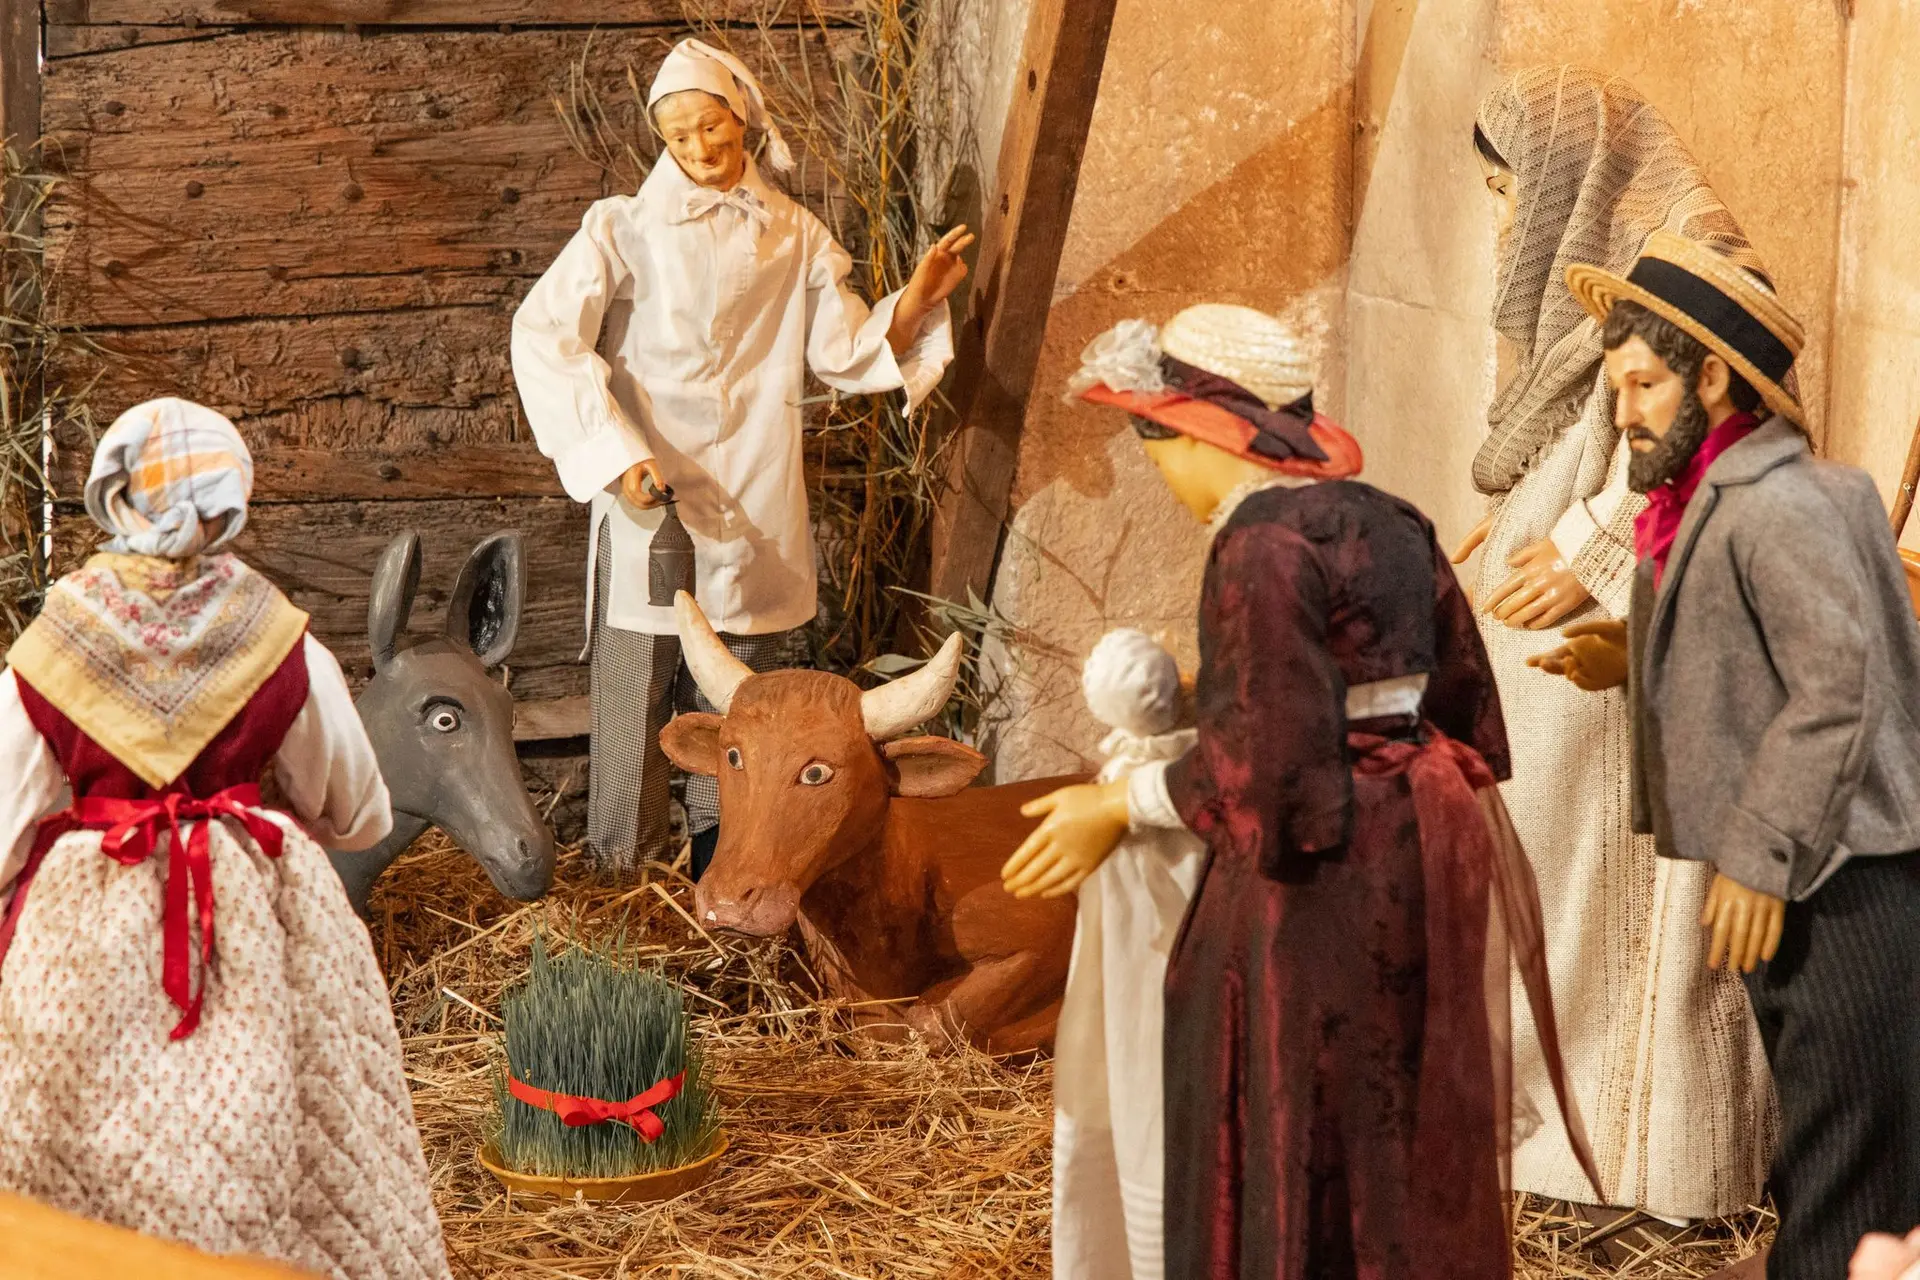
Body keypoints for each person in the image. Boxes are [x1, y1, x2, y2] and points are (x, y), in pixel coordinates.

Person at [1005, 304, 1596, 1279]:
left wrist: (1118, 801)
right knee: (1386, 1107)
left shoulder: (1259, 543)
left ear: (1201, 434)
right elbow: (1454, 696)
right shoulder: (1392, 518)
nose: (1163, 474)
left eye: (1157, 444)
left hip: (1317, 865)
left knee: (1286, 1101)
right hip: (1413, 845)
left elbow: (1269, 765)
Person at [1533, 231, 1920, 1279]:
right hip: (1816, 877)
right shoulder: (1721, 499)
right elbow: (1767, 648)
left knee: (1849, 1176)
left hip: (1842, 880)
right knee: (1836, 1153)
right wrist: (1633, 657)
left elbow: (1835, 689)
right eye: (1618, 386)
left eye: (1644, 385)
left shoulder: (1777, 504)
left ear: (1711, 378)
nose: (1624, 412)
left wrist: (1754, 855)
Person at [0, 399, 449, 1278]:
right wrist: (277, 819)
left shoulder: (55, 646)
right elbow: (358, 811)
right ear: (230, 503)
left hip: (84, 919)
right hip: (251, 914)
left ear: (114, 496)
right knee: (301, 1131)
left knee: (62, 1129)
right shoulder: (279, 640)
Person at [511, 38, 971, 878]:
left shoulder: (793, 235)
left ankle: (725, 871)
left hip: (756, 496)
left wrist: (913, 303)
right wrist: (615, 454)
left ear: (743, 120)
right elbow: (544, 334)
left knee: (742, 712)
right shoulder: (622, 228)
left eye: (710, 127)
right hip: (651, 492)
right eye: (678, 135)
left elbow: (843, 349)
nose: (697, 147)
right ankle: (622, 874)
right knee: (638, 690)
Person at [1454, 65, 1774, 1238]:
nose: (1505, 219)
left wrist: (1587, 553)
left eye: (1510, 191)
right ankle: (1562, 1144)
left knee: (1625, 913)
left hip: (1619, 644)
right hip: (1558, 673)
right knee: (1552, 902)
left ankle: (1651, 1163)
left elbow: (1709, 446)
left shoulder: (1698, 268)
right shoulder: (1600, 277)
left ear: (1568, 175)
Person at [1051, 628, 1204, 1280]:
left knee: (1137, 1094)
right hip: (1197, 971)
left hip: (1128, 990)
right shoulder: (1193, 780)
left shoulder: (1119, 788)